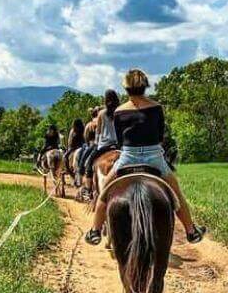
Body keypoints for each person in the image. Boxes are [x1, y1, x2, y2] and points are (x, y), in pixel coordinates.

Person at [85, 69, 206, 246]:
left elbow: (120, 141)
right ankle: (191, 230)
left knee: (104, 193)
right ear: (145, 86)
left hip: (128, 158)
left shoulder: (119, 111)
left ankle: (95, 231)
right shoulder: (157, 107)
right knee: (176, 194)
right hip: (154, 157)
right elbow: (159, 136)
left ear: (126, 89)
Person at [82, 89, 121, 185]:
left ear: (105, 100)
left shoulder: (102, 113)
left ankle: (87, 188)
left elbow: (98, 132)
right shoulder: (120, 112)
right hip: (119, 144)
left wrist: (96, 144)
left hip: (104, 144)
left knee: (89, 163)